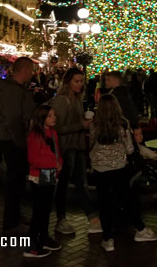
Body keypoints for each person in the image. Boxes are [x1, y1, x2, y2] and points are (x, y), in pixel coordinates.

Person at [91, 94, 157, 252]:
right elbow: (129, 148)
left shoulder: (95, 123)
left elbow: (91, 142)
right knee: (128, 199)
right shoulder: (122, 123)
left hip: (100, 168)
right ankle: (140, 228)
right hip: (119, 168)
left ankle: (108, 238)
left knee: (104, 203)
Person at [51, 67, 100, 235]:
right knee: (65, 183)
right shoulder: (62, 100)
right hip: (67, 147)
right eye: (77, 81)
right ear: (68, 82)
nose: (80, 84)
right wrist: (81, 125)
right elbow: (56, 127)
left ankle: (93, 218)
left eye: (81, 81)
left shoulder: (77, 99)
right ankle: (61, 218)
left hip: (77, 146)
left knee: (80, 183)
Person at [0, 57, 36, 233]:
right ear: (25, 70)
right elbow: (13, 119)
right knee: (15, 181)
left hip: (13, 139)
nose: (33, 74)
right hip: (13, 141)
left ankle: (14, 216)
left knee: (18, 181)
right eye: (32, 70)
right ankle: (10, 222)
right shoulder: (12, 91)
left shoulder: (15, 89)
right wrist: (21, 142)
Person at [24, 104, 63, 258]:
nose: (54, 118)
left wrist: (59, 162)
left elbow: (56, 151)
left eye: (54, 115)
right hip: (40, 174)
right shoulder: (36, 135)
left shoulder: (52, 133)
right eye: (50, 116)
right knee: (39, 210)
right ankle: (32, 244)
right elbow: (33, 159)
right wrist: (54, 163)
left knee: (46, 208)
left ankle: (43, 237)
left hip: (50, 173)